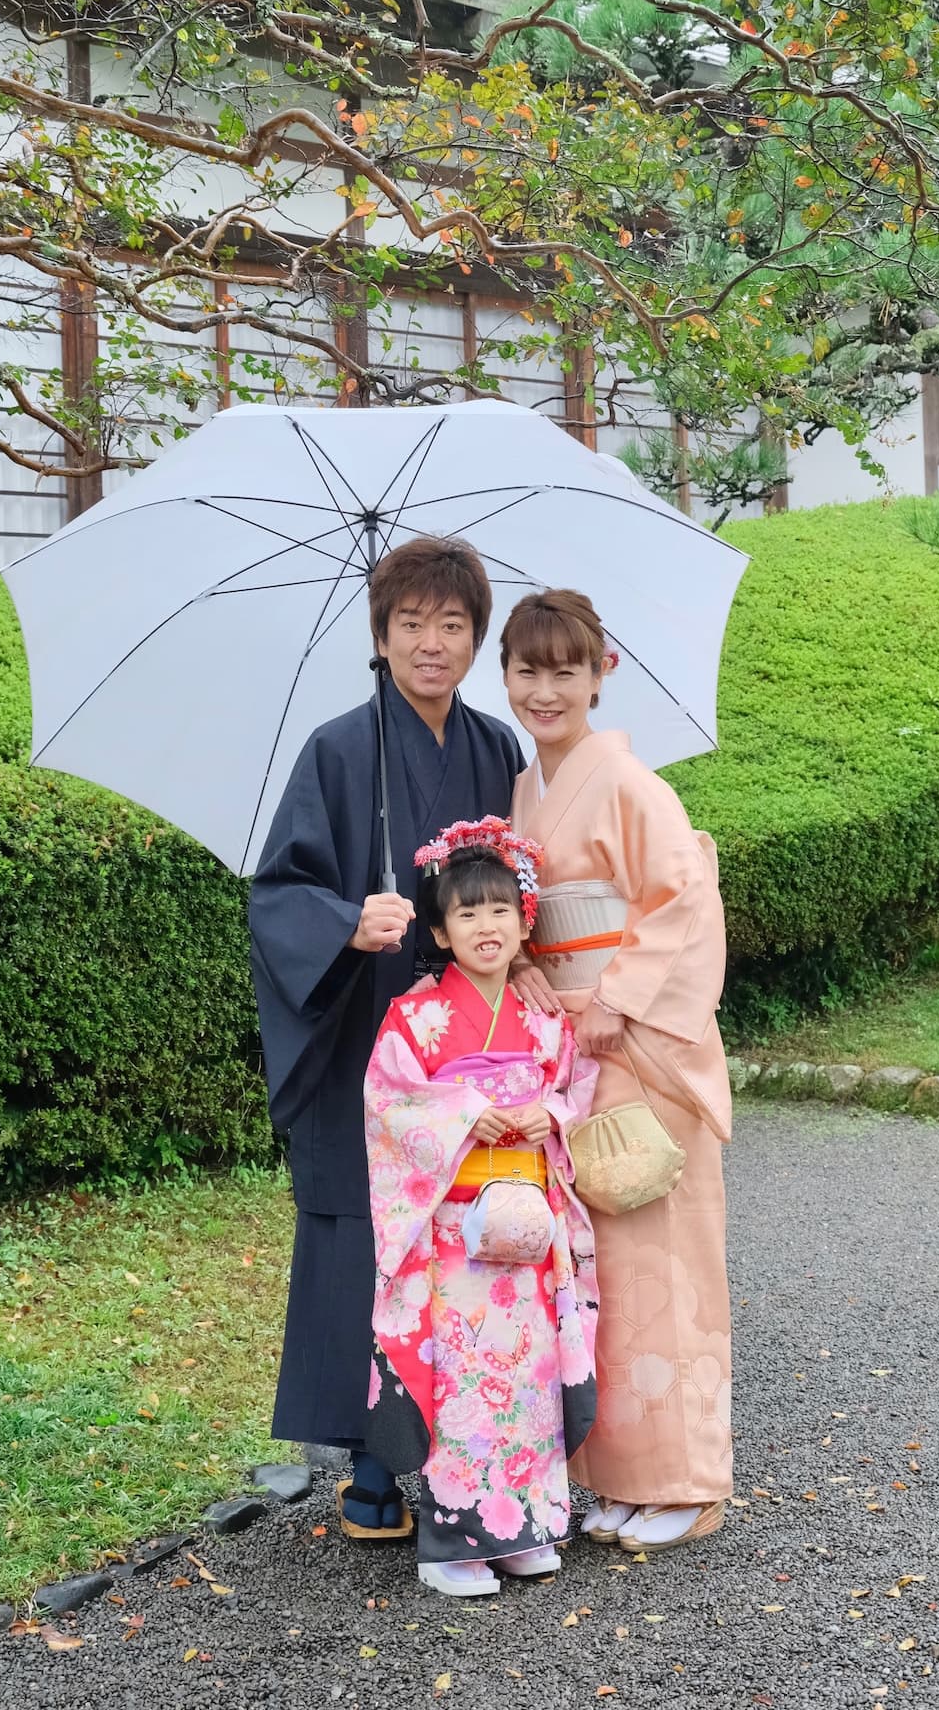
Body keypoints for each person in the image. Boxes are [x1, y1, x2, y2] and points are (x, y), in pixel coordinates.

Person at [248, 537, 525, 1541]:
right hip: (372, 1038)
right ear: (380, 633)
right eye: (409, 622)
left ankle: (471, 1444)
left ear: (475, 637)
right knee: (377, 1239)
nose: (430, 642)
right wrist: (343, 920)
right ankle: (371, 1459)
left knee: (468, 1236)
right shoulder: (335, 748)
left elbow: (520, 885)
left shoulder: (497, 749)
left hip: (473, 1043)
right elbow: (279, 888)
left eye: (451, 624)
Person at [504, 587, 734, 1553]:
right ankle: (611, 1470)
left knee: (658, 1254)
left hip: (632, 1038)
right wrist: (520, 960)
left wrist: (618, 1001)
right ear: (505, 676)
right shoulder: (526, 788)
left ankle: (683, 1475)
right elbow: (525, 906)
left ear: (603, 674)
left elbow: (681, 897)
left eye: (566, 670)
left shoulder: (635, 785)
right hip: (569, 1037)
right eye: (527, 670)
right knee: (593, 1263)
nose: (545, 691)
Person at [361, 820, 599, 1595]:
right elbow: (389, 1104)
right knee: (467, 1386)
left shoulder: (542, 1020)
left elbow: (574, 1088)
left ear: (524, 921)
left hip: (527, 1229)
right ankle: (453, 1547)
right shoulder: (416, 1017)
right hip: (456, 1238)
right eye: (465, 914)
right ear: (437, 930)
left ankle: (522, 1527)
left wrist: (549, 1117)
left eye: (499, 910)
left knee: (527, 1381)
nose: (484, 926)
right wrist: (465, 1113)